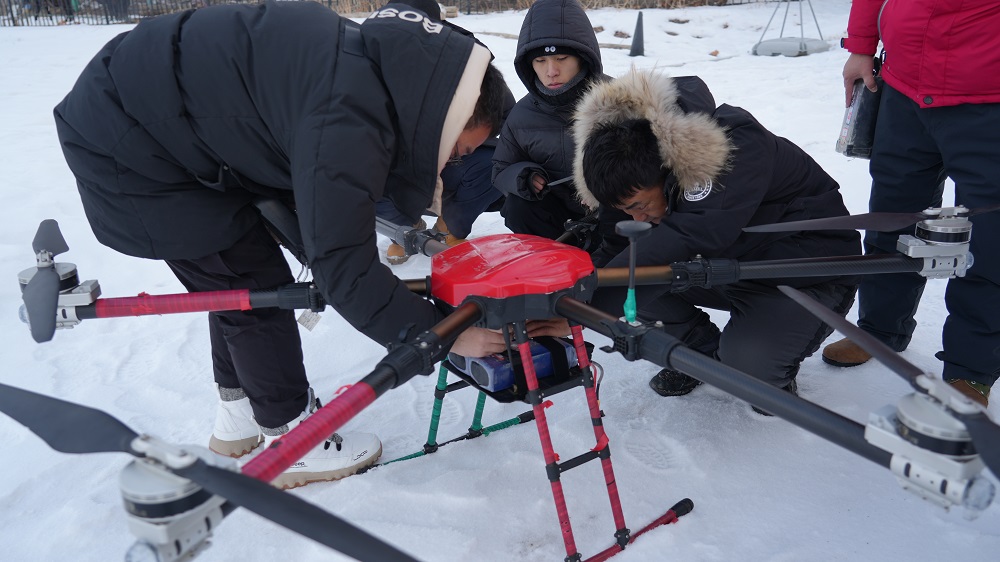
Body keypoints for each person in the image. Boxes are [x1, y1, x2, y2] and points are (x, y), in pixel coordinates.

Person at [53, 1, 510, 489]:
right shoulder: (349, 119)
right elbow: (343, 267)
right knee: (249, 280)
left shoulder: (370, 69)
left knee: (230, 275)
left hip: (142, 114)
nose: (453, 162)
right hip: (131, 151)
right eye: (460, 149)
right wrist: (442, 334)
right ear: (449, 112)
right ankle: (294, 438)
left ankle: (238, 417)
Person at [564, 68, 861, 413]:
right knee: (633, 279)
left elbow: (693, 233)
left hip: (801, 275)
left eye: (640, 206)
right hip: (724, 268)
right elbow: (617, 249)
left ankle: (766, 370)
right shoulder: (632, 168)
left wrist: (589, 308)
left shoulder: (735, 145)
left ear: (667, 171)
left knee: (748, 374)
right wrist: (575, 298)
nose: (637, 219)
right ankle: (700, 353)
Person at [823, 0, 1000, 407]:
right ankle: (880, 329)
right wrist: (862, 45)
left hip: (987, 98)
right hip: (904, 85)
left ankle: (971, 369)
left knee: (989, 241)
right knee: (891, 217)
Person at [376, 0, 515, 265]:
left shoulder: (469, 60)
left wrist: (464, 140)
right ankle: (404, 231)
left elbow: (509, 115)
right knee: (368, 178)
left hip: (455, 161)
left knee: (493, 163)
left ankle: (449, 228)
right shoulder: (372, 67)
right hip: (401, 166)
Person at [492, 0, 617, 250]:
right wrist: (524, 177)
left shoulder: (617, 100)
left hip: (614, 215)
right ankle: (550, 266)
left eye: (561, 58)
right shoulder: (521, 115)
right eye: (540, 61)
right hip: (559, 222)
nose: (551, 71)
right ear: (529, 64)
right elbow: (500, 169)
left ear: (583, 57)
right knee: (517, 206)